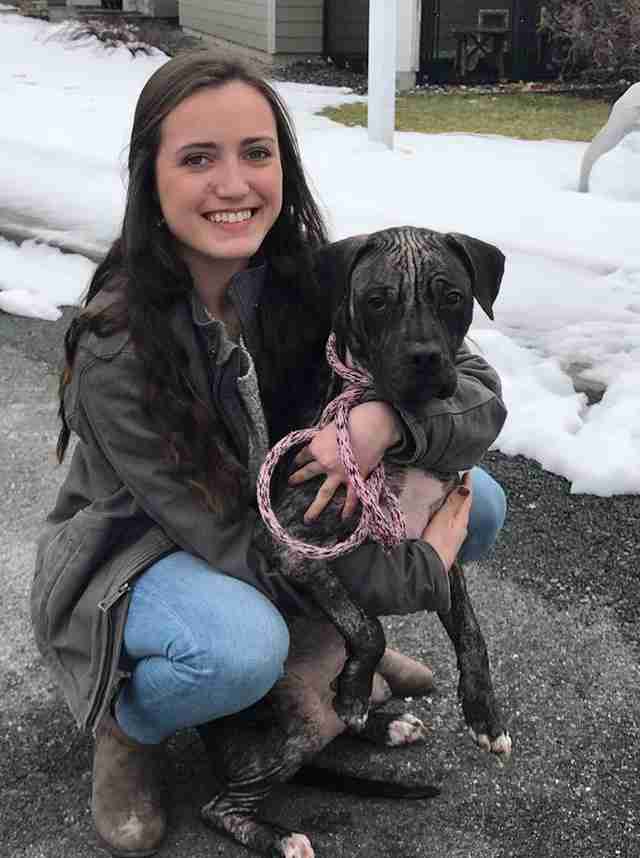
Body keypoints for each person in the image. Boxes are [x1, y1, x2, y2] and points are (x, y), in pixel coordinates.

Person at [31, 52, 507, 857]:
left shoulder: (306, 279)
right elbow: (243, 542)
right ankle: (127, 727)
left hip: (274, 513)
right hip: (144, 553)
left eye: (257, 152)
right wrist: (416, 574)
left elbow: (477, 389)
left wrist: (386, 423)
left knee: (481, 500)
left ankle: (328, 645)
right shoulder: (119, 340)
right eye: (197, 158)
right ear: (150, 178)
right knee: (240, 647)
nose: (234, 183)